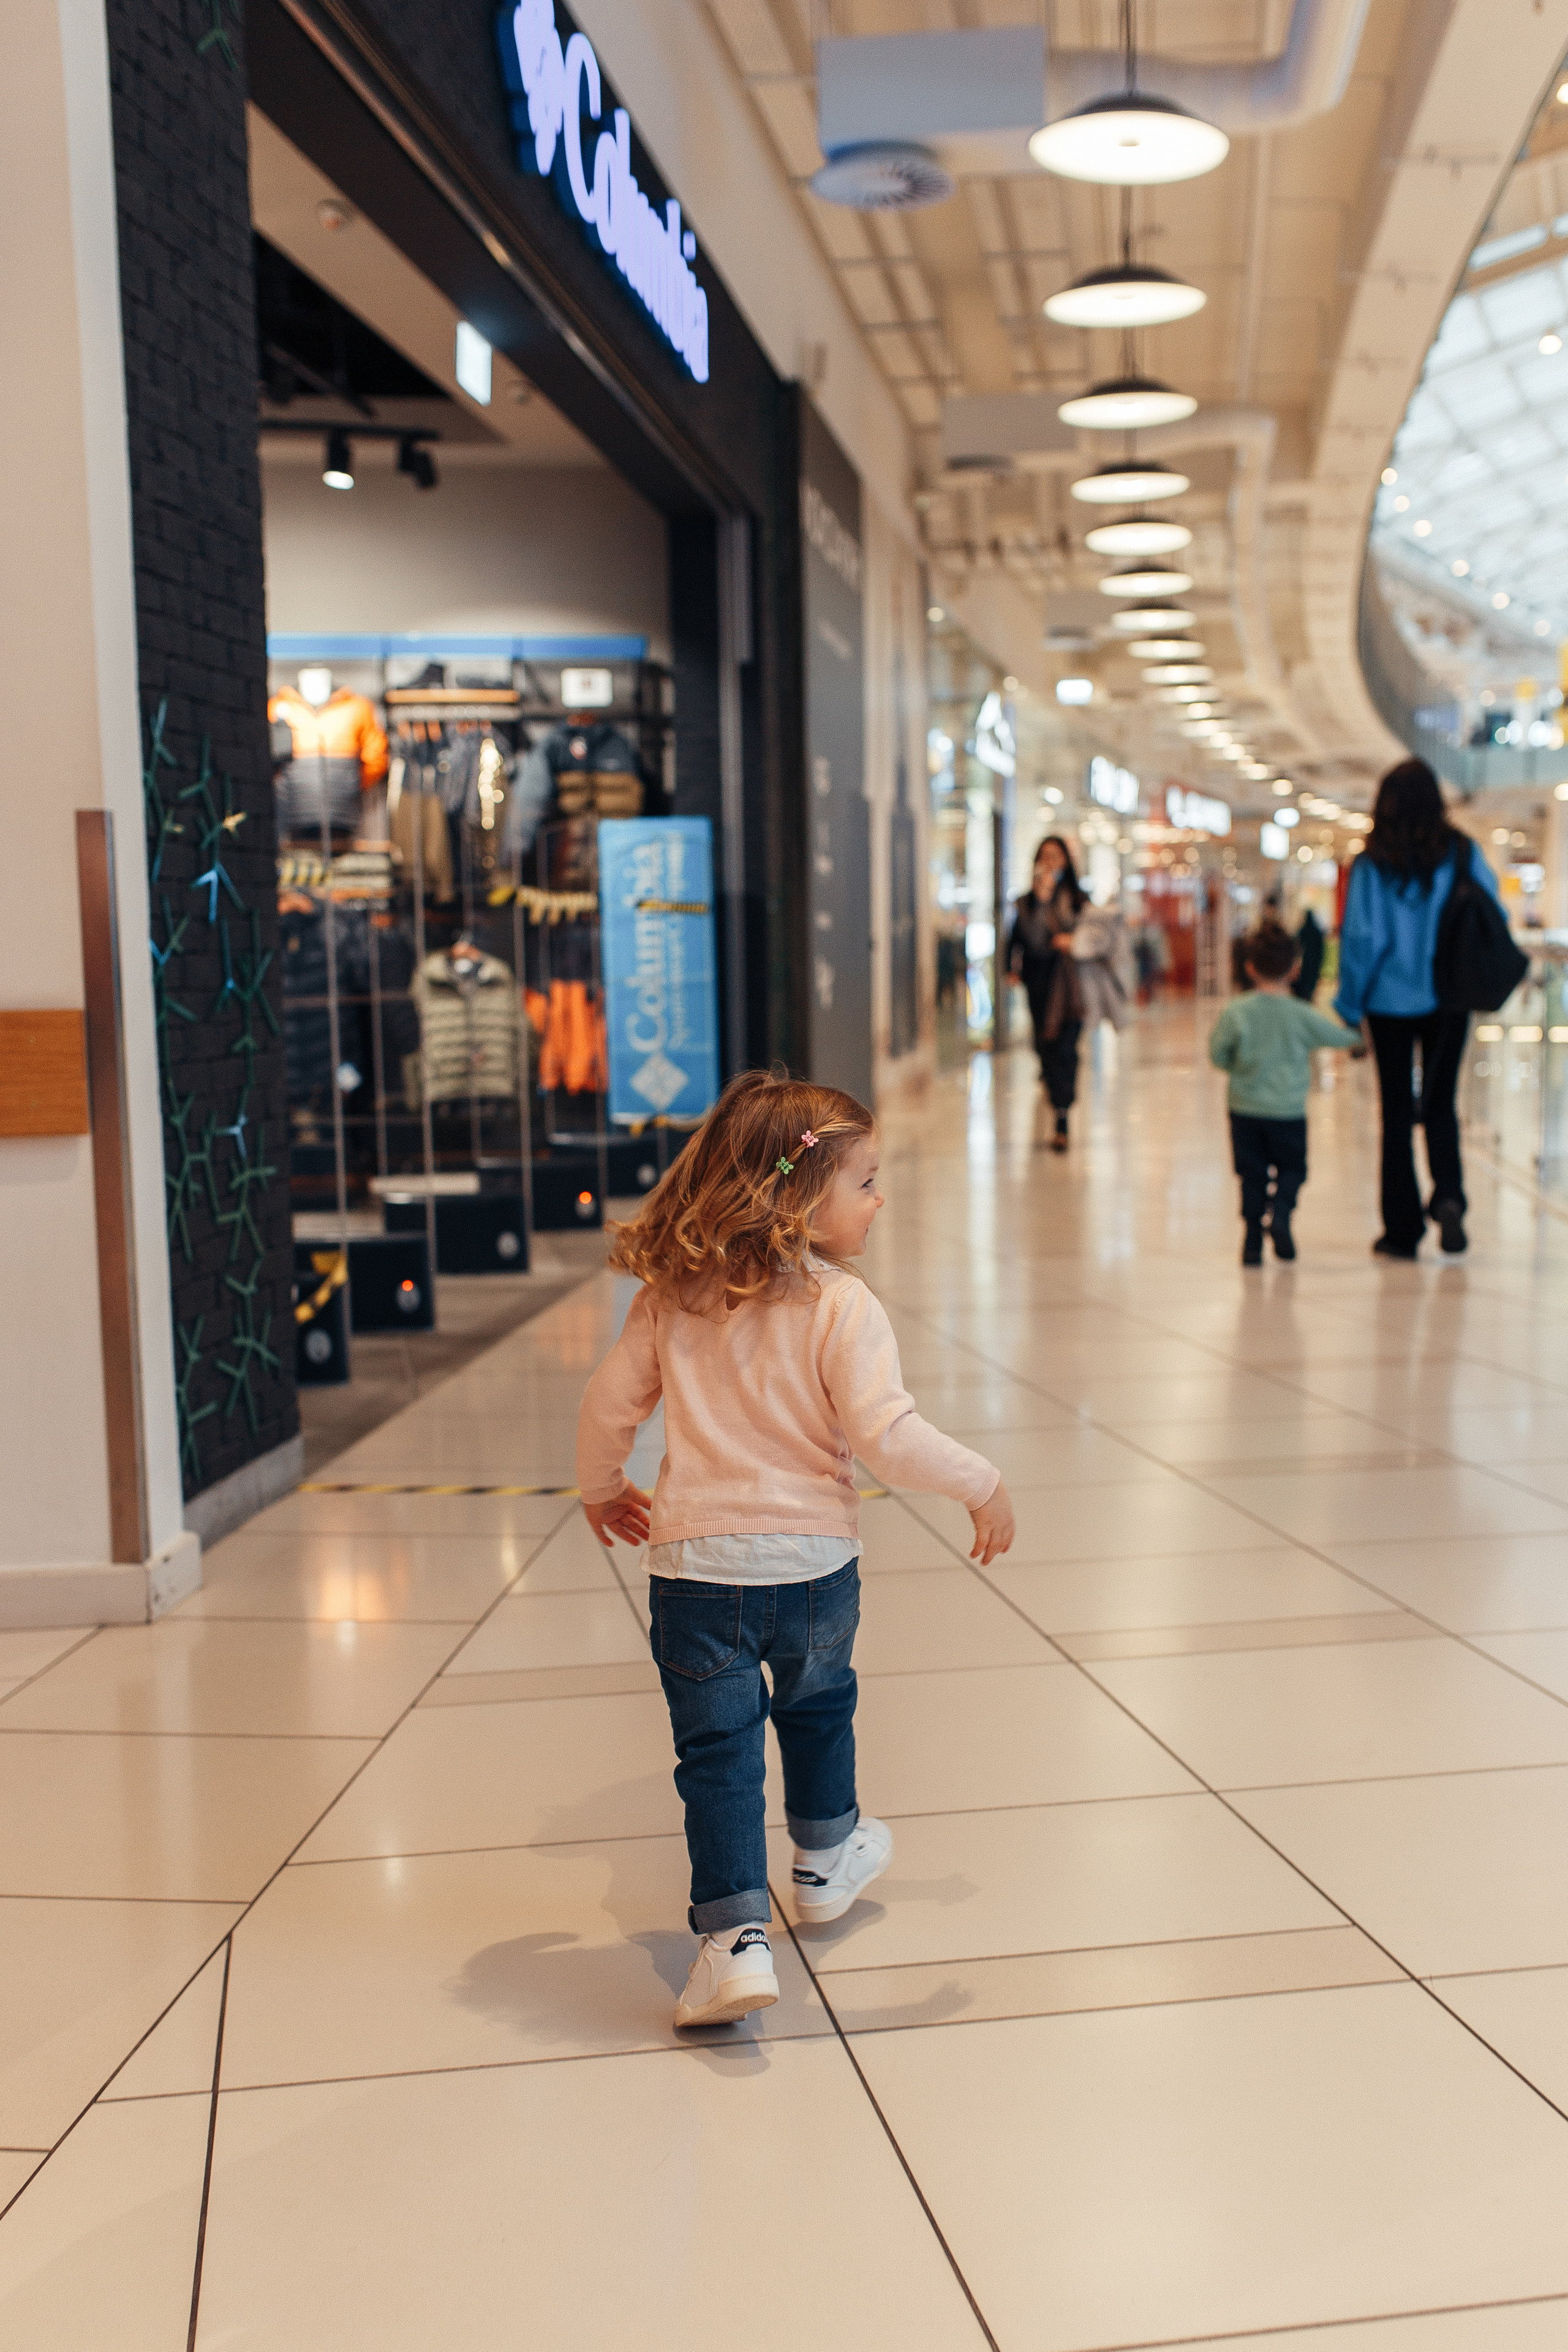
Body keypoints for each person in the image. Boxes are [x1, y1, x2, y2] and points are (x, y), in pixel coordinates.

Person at [575, 1071, 1016, 2030]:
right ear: (799, 1196)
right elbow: (889, 1435)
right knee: (820, 1709)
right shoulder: (840, 1305)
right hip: (815, 1567)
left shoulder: (672, 1296)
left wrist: (603, 1489)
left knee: (718, 1756)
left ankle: (733, 1941)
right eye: (864, 1181)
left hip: (696, 1575)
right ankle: (823, 1861)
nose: (880, 1197)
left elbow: (610, 1408)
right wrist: (978, 1481)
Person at [1333, 758, 1502, 1257]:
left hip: (1388, 1002)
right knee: (1441, 1104)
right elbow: (1492, 910)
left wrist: (1349, 1005)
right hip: (1449, 996)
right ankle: (1449, 1196)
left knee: (1397, 1114)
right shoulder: (1463, 852)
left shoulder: (1371, 863)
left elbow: (1365, 938)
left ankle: (1403, 1230)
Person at [1210, 924, 1363, 1265]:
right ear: (1295, 968)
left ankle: (1251, 1239)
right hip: (1288, 1111)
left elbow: (1217, 1054)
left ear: (1249, 968)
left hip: (1244, 1109)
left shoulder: (1235, 1012)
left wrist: (1239, 1067)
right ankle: (1280, 1216)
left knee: (1251, 1172)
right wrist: (1360, 1040)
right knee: (1293, 1169)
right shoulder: (1300, 1014)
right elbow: (1339, 1037)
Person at [1006, 835, 1087, 1152]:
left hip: (1071, 985)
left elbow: (1093, 936)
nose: (1051, 862)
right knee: (1045, 1044)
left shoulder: (1078, 898)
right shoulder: (1027, 902)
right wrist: (1012, 968)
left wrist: (1074, 942)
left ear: (1066, 861)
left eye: (1057, 856)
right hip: (1039, 983)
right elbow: (1020, 938)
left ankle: (1062, 1115)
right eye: (1045, 856)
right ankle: (1056, 1090)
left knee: (1066, 1046)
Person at [1292, 908, 1325, 1002]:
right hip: (1315, 961)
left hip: (1306, 961)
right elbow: (1321, 948)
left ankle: (1304, 995)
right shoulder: (1317, 931)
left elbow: (1297, 944)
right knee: (1311, 980)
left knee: (1305, 979)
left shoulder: (1303, 931)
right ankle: (1309, 995)